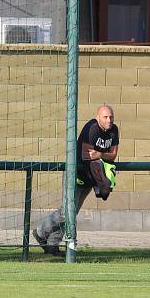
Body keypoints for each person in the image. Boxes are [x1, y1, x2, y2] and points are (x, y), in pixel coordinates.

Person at [32, 104, 119, 256]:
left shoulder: (114, 131)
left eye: (111, 117)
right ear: (98, 117)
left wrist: (99, 155)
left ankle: (52, 244)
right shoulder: (91, 128)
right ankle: (40, 232)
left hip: (90, 177)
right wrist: (100, 156)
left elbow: (112, 155)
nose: (109, 120)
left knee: (73, 212)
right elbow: (87, 156)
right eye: (105, 117)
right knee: (66, 212)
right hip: (76, 174)